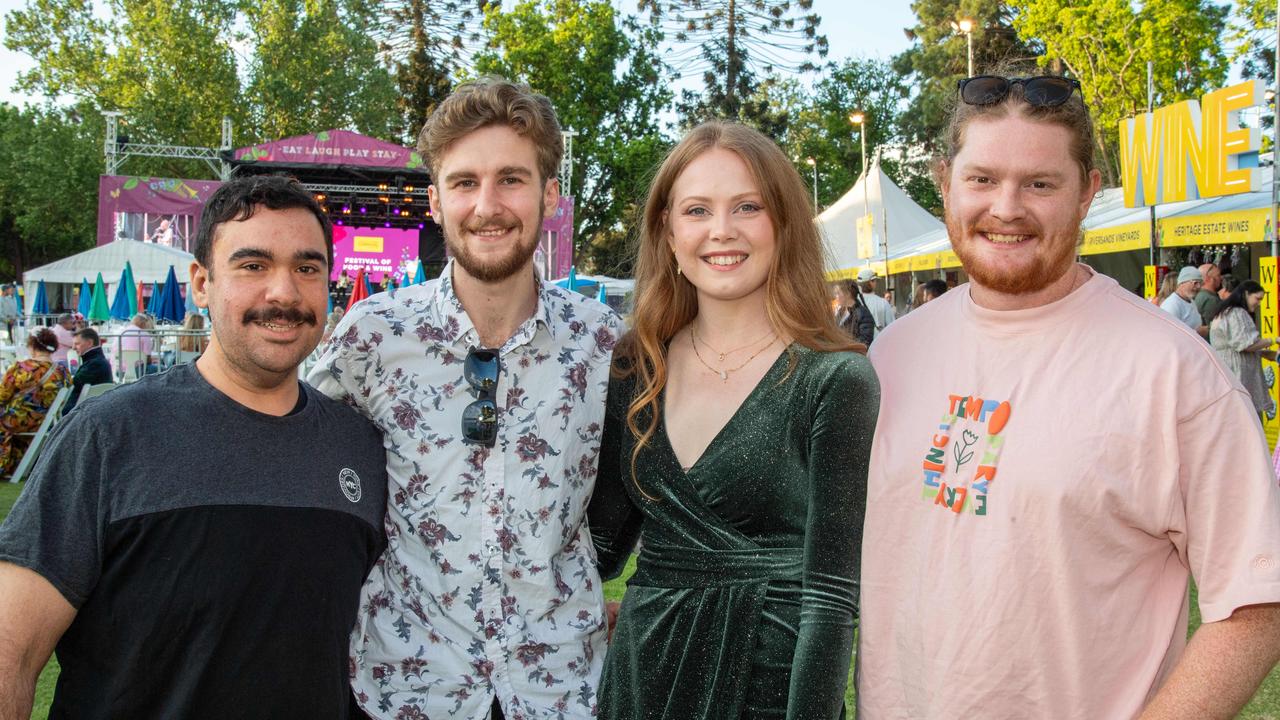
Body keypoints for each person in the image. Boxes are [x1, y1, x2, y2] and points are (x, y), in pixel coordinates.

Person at [858, 69, 1280, 719]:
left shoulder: (1170, 371)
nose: (1006, 207)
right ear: (945, 183)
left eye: (1039, 183)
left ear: (1087, 193)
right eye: (982, 179)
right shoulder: (891, 355)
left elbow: (1256, 601)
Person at [0, 175, 388, 718]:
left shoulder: (361, 448)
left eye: (307, 267)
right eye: (253, 266)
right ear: (202, 283)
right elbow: (10, 653)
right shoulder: (110, 434)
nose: (284, 292)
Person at [309, 78, 623, 719]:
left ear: (550, 195)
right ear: (434, 200)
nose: (487, 205)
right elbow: (288, 448)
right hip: (408, 689)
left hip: (562, 689)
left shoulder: (606, 343)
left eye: (511, 179)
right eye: (464, 182)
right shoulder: (374, 334)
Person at [587, 121, 877, 720]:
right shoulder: (636, 368)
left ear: (784, 223)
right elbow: (598, 547)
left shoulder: (835, 380)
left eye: (748, 206)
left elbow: (830, 599)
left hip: (766, 688)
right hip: (642, 683)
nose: (722, 231)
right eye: (697, 210)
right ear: (667, 231)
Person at [0, 328, 70, 475]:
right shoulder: (62, 371)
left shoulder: (22, 368)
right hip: (45, 422)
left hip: (17, 421)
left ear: (32, 346)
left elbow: (2, 395)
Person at [1209, 279, 1276, 417]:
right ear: (1246, 294)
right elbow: (1246, 344)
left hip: (1229, 369)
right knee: (1244, 414)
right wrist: (1273, 340)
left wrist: (1270, 354)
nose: (1259, 303)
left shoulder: (1227, 312)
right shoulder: (1236, 313)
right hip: (1237, 372)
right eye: (1257, 298)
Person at [62, 328, 112, 414]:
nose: (73, 348)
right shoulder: (97, 361)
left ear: (89, 343)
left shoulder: (95, 363)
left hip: (81, 411)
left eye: (77, 344)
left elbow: (75, 383)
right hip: (93, 408)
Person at [1160, 266, 1207, 336]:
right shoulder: (1171, 305)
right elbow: (1169, 334)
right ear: (1182, 283)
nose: (1198, 287)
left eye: (1201, 283)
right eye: (1195, 283)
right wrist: (1197, 333)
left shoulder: (1190, 301)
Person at [856, 267, 895, 336]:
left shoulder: (854, 303)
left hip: (859, 345)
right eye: (875, 280)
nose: (876, 283)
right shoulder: (883, 303)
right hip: (879, 344)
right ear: (871, 282)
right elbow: (892, 328)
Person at [834, 278, 874, 345]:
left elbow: (865, 342)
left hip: (853, 354)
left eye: (838, 293)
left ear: (848, 294)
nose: (836, 297)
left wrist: (844, 345)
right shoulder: (840, 312)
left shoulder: (863, 314)